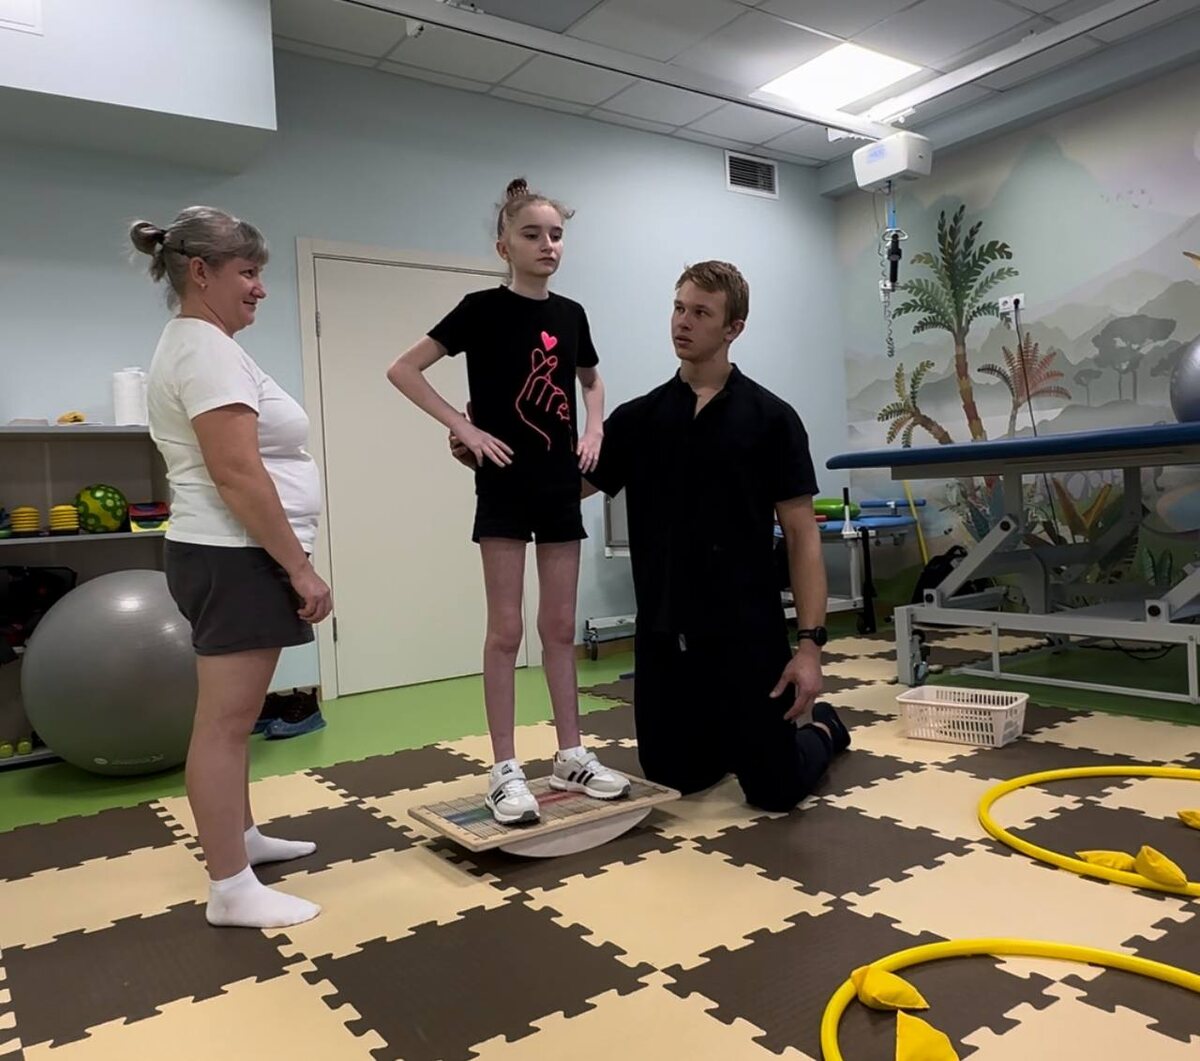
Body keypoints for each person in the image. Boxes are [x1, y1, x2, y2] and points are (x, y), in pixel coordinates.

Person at [454, 261, 850, 811]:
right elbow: (560, 491)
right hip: (666, 640)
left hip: (747, 637)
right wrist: (487, 459)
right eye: (679, 308)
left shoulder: (772, 419)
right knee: (673, 777)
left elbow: (804, 538)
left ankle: (824, 728)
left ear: (733, 328)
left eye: (701, 313)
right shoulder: (639, 420)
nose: (682, 322)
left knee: (775, 792)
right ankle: (734, 735)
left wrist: (810, 649)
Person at [387, 179, 630, 825]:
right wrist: (462, 427)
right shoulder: (480, 309)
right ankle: (504, 768)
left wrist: (595, 430)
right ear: (504, 246)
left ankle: (571, 754)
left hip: (559, 487)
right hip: (502, 485)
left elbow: (591, 380)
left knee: (559, 628)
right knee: (505, 631)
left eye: (556, 235)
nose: (548, 245)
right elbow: (403, 369)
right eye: (532, 234)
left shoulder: (571, 314)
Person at [134, 206, 331, 928]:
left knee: (236, 717)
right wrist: (300, 570)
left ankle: (240, 840)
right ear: (200, 272)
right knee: (223, 723)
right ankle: (230, 888)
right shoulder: (205, 351)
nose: (260, 288)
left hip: (229, 552)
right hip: (232, 553)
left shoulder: (204, 344)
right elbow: (237, 473)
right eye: (247, 273)